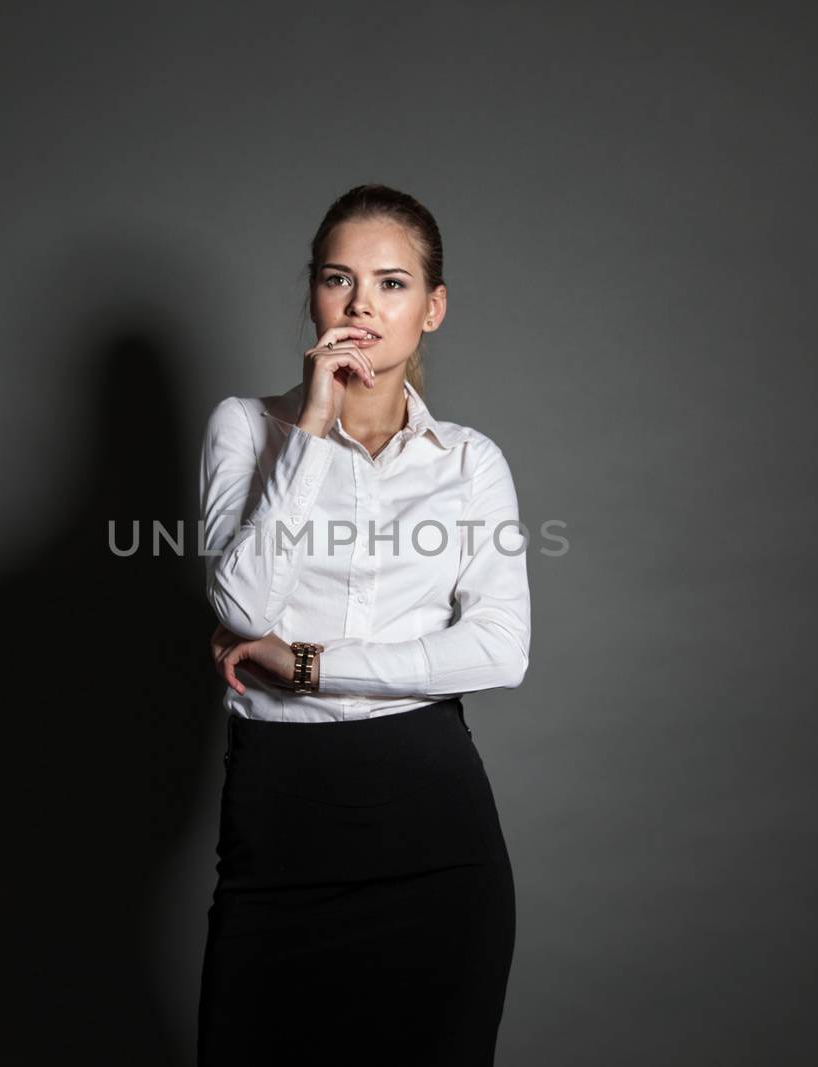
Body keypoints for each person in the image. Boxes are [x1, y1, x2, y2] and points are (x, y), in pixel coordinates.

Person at [195, 183, 532, 1066]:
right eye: (338, 279)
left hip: (434, 827)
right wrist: (311, 422)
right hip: (281, 816)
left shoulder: (468, 462)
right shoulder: (246, 427)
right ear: (312, 293)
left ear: (434, 308)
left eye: (391, 283)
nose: (361, 306)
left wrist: (307, 664)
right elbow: (240, 607)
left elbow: (500, 649)